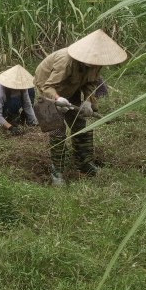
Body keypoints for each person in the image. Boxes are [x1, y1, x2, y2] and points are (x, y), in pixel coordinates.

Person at [35, 29, 126, 186]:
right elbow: (48, 86)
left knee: (80, 126)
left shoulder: (97, 63)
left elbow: (91, 82)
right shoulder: (65, 61)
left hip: (72, 89)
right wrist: (57, 99)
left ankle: (84, 164)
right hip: (47, 92)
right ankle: (56, 170)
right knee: (58, 131)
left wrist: (89, 102)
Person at [0, 65, 38, 136]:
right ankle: (8, 119)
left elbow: (27, 105)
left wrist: (33, 122)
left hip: (7, 107)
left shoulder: (23, 88)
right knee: (4, 121)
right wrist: (10, 128)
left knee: (31, 90)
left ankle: (11, 117)